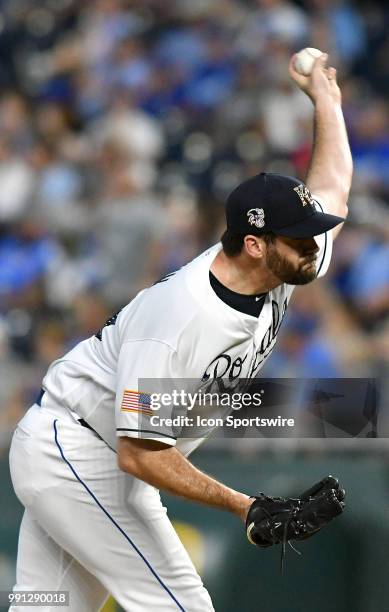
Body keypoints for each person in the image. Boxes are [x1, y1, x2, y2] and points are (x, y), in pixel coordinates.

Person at [9, 53, 352, 612]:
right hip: (79, 451)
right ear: (255, 244)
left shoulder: (287, 266)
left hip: (91, 451)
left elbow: (333, 187)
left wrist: (327, 101)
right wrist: (249, 507)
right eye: (299, 237)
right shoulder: (179, 319)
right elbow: (140, 453)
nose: (313, 245)